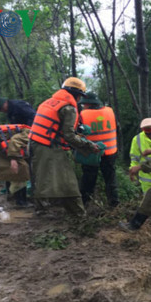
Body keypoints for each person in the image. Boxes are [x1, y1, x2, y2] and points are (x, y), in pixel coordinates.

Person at [29, 77, 100, 216]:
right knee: (68, 181)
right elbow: (69, 136)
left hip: (34, 143)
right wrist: (89, 145)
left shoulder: (49, 102)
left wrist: (77, 130)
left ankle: (40, 209)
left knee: (40, 177)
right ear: (76, 95)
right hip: (48, 147)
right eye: (80, 96)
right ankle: (78, 213)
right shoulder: (69, 108)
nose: (80, 100)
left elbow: (55, 126)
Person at [78, 92, 119, 208]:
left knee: (88, 180)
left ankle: (84, 205)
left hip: (92, 153)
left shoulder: (83, 115)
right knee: (110, 180)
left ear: (87, 104)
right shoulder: (109, 111)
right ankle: (114, 205)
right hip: (110, 151)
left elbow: (78, 133)